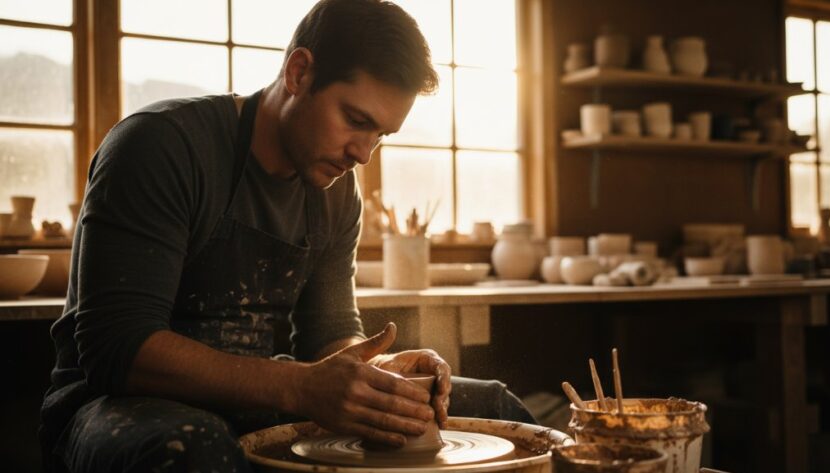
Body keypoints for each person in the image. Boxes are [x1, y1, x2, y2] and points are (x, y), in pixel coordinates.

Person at [39, 1, 535, 471]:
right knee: (194, 444)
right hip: (112, 406)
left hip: (258, 394)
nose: (363, 154)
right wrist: (300, 387)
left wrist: (379, 372)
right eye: (356, 121)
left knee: (490, 402)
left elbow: (329, 335)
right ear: (299, 73)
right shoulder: (162, 146)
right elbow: (118, 351)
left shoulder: (336, 190)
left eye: (381, 135)